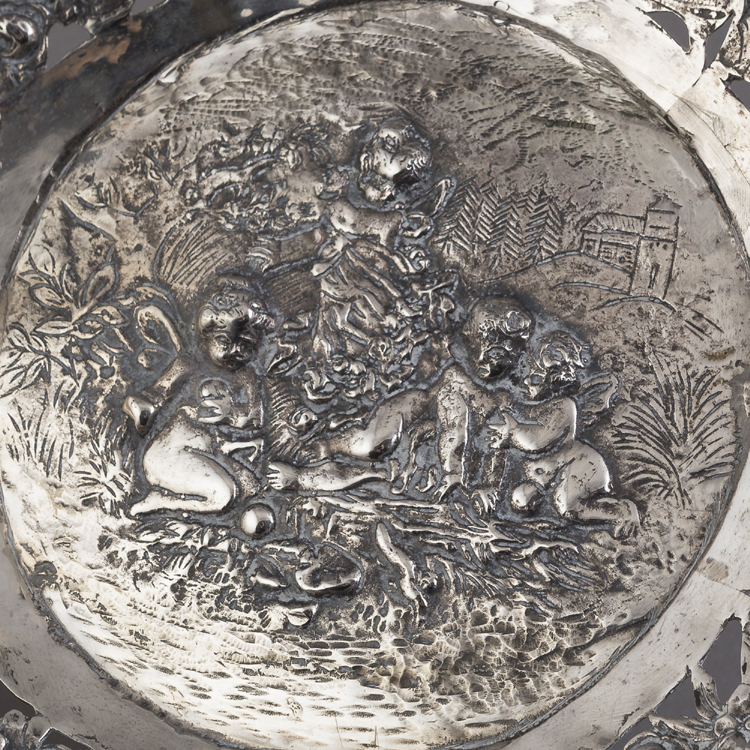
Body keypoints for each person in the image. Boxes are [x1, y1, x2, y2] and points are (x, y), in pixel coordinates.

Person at [267, 296, 533, 503]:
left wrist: (488, 485)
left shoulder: (498, 398)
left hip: (426, 427)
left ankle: (310, 470)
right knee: (374, 444)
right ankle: (323, 449)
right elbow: (455, 425)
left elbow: (499, 442)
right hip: (409, 408)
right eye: (495, 351)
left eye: (511, 352)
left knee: (377, 454)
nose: (502, 361)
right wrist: (454, 473)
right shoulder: (455, 374)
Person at [123, 281, 275, 516]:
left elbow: (253, 419)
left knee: (250, 487)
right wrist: (143, 411)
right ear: (208, 337)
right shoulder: (187, 365)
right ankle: (161, 502)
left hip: (210, 454)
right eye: (224, 342)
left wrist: (231, 415)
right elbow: (148, 397)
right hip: (170, 455)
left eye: (245, 345)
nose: (235, 352)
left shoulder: (248, 377)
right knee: (224, 495)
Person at [490, 331, 639, 538]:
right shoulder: (524, 407)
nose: (527, 383)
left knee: (569, 508)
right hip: (554, 471)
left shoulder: (564, 406)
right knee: (524, 499)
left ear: (556, 381)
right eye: (526, 375)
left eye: (535, 378)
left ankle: (621, 512)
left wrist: (513, 431)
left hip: (581, 465)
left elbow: (539, 440)